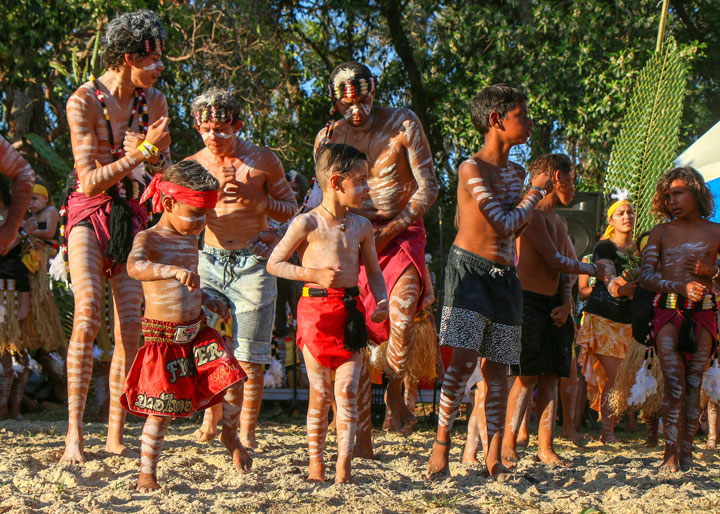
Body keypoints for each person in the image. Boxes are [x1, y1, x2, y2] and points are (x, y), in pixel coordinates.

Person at [427, 84, 557, 479]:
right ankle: (441, 446)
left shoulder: (516, 172)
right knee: (463, 362)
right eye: (523, 114)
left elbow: (513, 229)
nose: (531, 122)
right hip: (469, 274)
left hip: (506, 279)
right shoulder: (470, 168)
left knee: (499, 368)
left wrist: (529, 193)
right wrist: (535, 192)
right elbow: (503, 222)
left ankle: (494, 454)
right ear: (496, 120)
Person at [60, 9, 172, 463]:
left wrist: (156, 160)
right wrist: (141, 153)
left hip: (133, 215)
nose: (160, 66)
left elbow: (165, 171)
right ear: (128, 57)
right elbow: (88, 181)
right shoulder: (83, 100)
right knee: (87, 315)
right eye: (154, 58)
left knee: (131, 328)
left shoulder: (156, 103)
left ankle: (114, 434)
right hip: (89, 214)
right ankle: (73, 434)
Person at [313, 62, 438, 441]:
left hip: (401, 233)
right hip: (352, 237)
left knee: (400, 323)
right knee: (354, 330)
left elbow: (428, 187)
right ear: (334, 102)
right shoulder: (327, 138)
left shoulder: (403, 123)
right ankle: (356, 415)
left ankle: (397, 387)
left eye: (364, 99)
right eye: (346, 104)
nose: (357, 111)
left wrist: (393, 229)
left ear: (374, 89)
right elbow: (323, 197)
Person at [122, 160, 251, 491]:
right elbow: (135, 267)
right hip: (163, 340)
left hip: (199, 332)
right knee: (161, 411)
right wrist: (170, 271)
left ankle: (229, 435)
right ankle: (147, 472)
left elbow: (188, 286)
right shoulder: (149, 238)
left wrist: (207, 298)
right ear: (168, 204)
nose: (201, 223)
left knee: (234, 383)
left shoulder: (191, 238)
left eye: (206, 215)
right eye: (195, 214)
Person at [267, 143, 388, 483]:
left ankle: (344, 467)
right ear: (337, 182)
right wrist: (311, 274)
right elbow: (274, 264)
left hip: (351, 312)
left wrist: (382, 301)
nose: (367, 188)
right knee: (320, 392)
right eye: (361, 180)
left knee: (348, 390)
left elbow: (374, 273)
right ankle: (316, 464)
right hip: (315, 313)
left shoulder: (362, 226)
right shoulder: (306, 223)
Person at [186, 87, 297, 448]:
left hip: (254, 263)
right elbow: (177, 217)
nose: (214, 137)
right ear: (198, 128)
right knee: (207, 346)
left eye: (222, 129)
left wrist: (256, 200)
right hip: (210, 262)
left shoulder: (263, 160)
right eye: (206, 130)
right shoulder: (192, 166)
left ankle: (246, 431)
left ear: (238, 126)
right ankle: (211, 417)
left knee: (250, 355)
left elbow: (291, 208)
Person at [500, 154, 596, 468]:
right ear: (557, 177)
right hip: (527, 301)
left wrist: (568, 303)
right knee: (526, 377)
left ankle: (546, 448)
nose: (574, 187)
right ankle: (508, 444)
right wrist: (594, 268)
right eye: (571, 179)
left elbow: (567, 267)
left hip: (556, 303)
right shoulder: (531, 215)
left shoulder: (560, 221)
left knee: (553, 377)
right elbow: (556, 260)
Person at [639, 166, 720, 472]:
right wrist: (681, 286)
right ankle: (669, 454)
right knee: (674, 385)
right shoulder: (661, 232)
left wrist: (710, 271)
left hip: (705, 315)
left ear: (697, 191)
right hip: (667, 313)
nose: (672, 200)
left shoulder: (717, 232)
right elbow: (646, 277)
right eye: (668, 195)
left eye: (679, 193)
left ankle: (686, 454)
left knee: (693, 386)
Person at [576, 189, 637, 443]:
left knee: (625, 377)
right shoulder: (604, 246)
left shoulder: (641, 249)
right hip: (602, 317)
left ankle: (609, 429)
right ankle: (607, 432)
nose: (627, 216)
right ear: (611, 220)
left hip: (629, 321)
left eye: (630, 212)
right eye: (620, 213)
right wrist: (624, 289)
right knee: (616, 375)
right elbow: (609, 279)